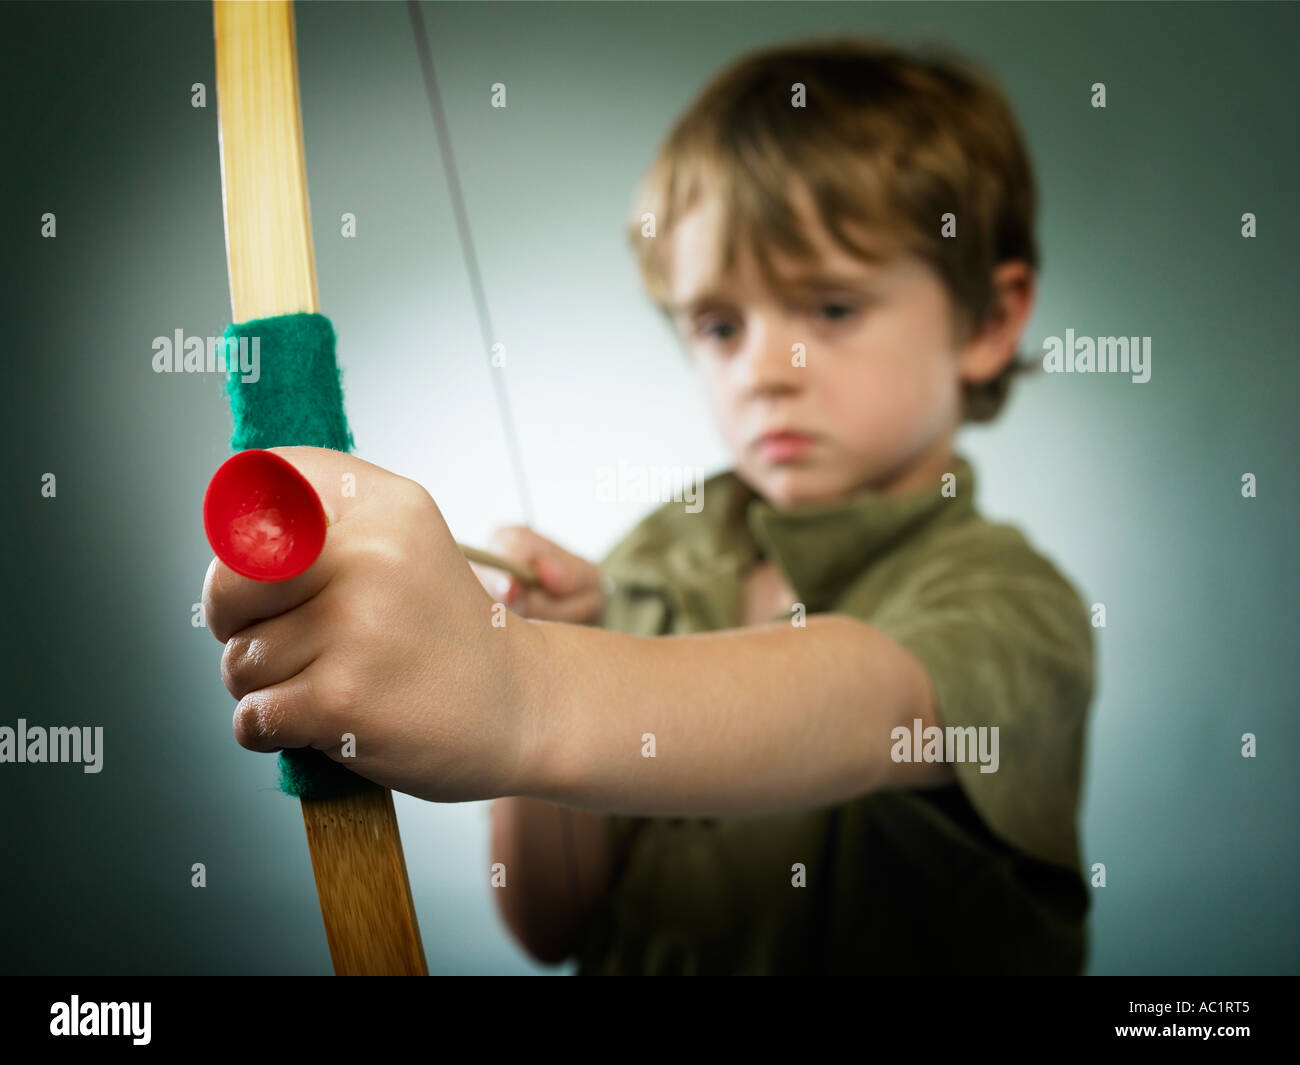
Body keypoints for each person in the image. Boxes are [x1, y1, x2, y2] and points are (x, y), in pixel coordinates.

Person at [205, 36, 1094, 975]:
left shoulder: (1016, 605)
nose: (760, 370)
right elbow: (552, 924)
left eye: (831, 308)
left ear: (989, 323)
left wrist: (524, 686)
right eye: (719, 324)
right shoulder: (659, 556)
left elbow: (862, 697)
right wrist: (537, 674)